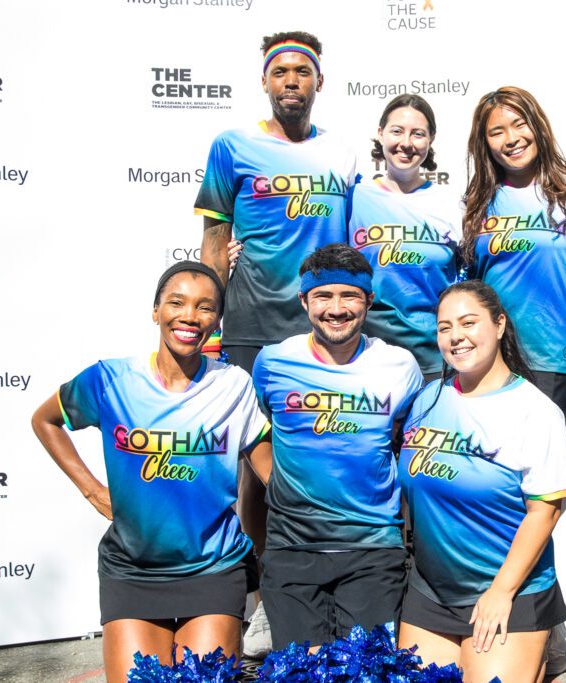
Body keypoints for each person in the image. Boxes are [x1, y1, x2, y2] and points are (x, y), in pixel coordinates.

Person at [194, 30, 356, 655]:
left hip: (328, 327)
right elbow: (214, 240)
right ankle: (264, 598)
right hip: (253, 328)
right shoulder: (232, 145)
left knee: (327, 459)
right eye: (281, 71)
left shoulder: (341, 155)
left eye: (302, 72)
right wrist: (208, 320)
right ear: (265, 81)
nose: (291, 81)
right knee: (254, 472)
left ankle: (333, 585)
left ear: (320, 82)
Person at [30, 262, 269, 683]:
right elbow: (46, 421)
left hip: (213, 569)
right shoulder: (110, 380)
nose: (190, 316)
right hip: (132, 570)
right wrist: (92, 491)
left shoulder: (235, 385)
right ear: (155, 310)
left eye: (206, 307)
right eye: (176, 302)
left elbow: (271, 472)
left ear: (217, 320)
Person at [249, 244, 423, 650]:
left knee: (368, 671)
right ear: (304, 301)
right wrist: (278, 482)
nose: (337, 308)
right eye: (324, 295)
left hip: (373, 549)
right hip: (292, 548)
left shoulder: (400, 366)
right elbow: (253, 432)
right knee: (300, 673)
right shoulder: (272, 362)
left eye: (350, 295)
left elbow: (409, 443)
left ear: (369, 301)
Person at [397, 280, 566, 683]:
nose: (455, 336)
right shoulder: (427, 398)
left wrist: (501, 593)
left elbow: (544, 512)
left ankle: (543, 643)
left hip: (508, 590)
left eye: (468, 322)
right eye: (444, 327)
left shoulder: (535, 411)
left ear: (499, 325)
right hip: (431, 592)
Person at [462, 86, 566, 415]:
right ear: (485, 144)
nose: (511, 138)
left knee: (556, 465)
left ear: (538, 126)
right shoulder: (471, 206)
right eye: (497, 131)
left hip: (553, 363)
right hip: (491, 363)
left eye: (520, 124)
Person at [348, 94, 462, 380]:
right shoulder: (354, 197)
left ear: (431, 139)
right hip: (369, 357)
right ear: (380, 134)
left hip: (438, 358)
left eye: (418, 134)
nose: (406, 143)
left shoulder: (452, 203)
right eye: (397, 131)